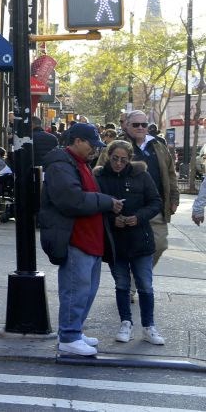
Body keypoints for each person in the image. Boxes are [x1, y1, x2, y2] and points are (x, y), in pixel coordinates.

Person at [38, 122, 124, 356]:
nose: (95, 149)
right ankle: (68, 336)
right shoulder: (61, 165)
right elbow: (72, 200)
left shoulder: (79, 163)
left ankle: (74, 330)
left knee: (86, 290)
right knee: (76, 290)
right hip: (77, 239)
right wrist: (106, 201)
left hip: (89, 240)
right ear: (77, 141)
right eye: (91, 144)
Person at [94, 140, 166, 346]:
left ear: (130, 159)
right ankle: (126, 323)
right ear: (108, 156)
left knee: (145, 285)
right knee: (122, 285)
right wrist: (111, 218)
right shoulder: (99, 176)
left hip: (140, 239)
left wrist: (138, 217)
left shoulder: (141, 175)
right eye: (115, 159)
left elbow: (155, 202)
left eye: (123, 160)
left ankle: (149, 326)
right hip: (115, 241)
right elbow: (94, 205)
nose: (118, 163)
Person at [97, 110, 178, 267]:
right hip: (123, 208)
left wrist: (174, 198)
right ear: (127, 126)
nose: (140, 127)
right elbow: (100, 171)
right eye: (136, 124)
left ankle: (136, 281)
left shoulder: (158, 145)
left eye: (144, 124)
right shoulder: (116, 145)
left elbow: (170, 173)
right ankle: (130, 284)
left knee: (160, 244)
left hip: (153, 206)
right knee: (125, 251)